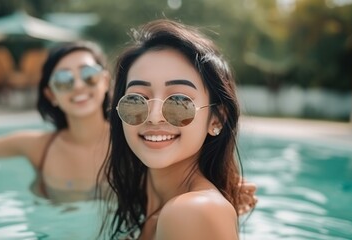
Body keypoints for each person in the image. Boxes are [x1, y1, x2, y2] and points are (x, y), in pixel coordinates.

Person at [105, 19, 251, 239]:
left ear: (216, 119)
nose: (154, 117)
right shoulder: (144, 197)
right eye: (137, 99)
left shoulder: (192, 211)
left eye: (179, 101)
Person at [0, 41, 112, 203]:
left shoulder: (129, 142)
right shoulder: (38, 148)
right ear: (51, 94)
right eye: (63, 79)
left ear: (105, 81)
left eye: (89, 74)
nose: (78, 85)